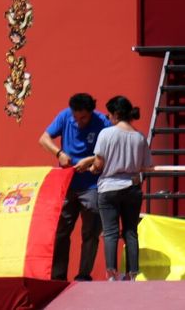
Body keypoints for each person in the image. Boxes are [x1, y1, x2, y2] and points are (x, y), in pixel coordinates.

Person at [77, 94, 153, 280]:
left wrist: (92, 168)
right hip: (132, 188)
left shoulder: (106, 134)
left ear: (116, 114)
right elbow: (147, 165)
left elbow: (99, 163)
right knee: (131, 232)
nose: (108, 118)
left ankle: (112, 274)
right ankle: (132, 274)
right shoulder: (140, 137)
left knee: (110, 232)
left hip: (109, 187)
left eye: (109, 115)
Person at [38, 92, 109, 281]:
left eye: (83, 117)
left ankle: (84, 275)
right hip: (66, 183)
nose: (78, 122)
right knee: (61, 231)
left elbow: (112, 149)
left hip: (92, 185)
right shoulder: (64, 116)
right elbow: (43, 138)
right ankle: (57, 276)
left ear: (91, 112)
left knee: (90, 232)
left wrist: (91, 160)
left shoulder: (103, 122)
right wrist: (58, 152)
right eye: (75, 118)